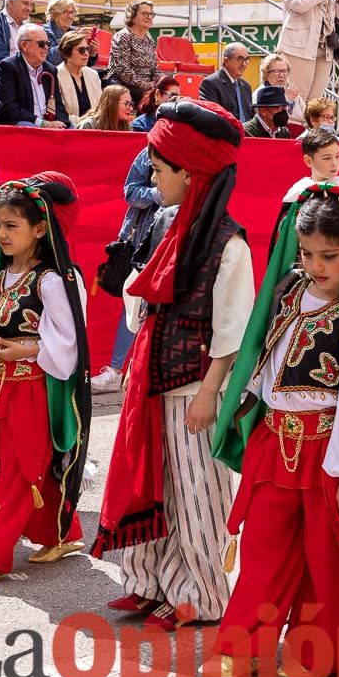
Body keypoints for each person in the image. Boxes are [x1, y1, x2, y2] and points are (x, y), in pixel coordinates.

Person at [200, 185, 339, 677]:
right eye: (307, 254)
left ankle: (316, 651)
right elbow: (267, 360)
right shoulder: (287, 291)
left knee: (328, 560)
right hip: (275, 442)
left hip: (330, 449)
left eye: (330, 255)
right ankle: (241, 648)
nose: (317, 265)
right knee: (263, 550)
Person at [92, 99, 254, 632]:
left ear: (190, 171)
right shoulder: (169, 227)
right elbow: (144, 306)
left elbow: (233, 333)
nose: (152, 176)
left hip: (192, 387)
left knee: (196, 494)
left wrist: (211, 395)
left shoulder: (229, 244)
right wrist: (127, 283)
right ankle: (152, 582)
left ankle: (201, 594)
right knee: (155, 483)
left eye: (160, 168)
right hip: (154, 378)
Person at [0, 172, 92, 587]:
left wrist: (24, 351)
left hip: (32, 390)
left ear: (40, 228)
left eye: (12, 225)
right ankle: (58, 532)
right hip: (0, 385)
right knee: (23, 465)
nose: (2, 233)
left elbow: (67, 341)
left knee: (15, 471)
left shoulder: (52, 280)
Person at [90, 131, 168, 394]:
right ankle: (116, 369)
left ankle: (139, 367)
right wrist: (159, 193)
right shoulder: (145, 155)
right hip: (142, 239)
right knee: (132, 300)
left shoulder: (189, 155)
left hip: (174, 238)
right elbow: (131, 192)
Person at [0, 23, 69, 128]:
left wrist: (62, 124)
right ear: (24, 46)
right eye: (41, 43)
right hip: (13, 125)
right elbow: (8, 109)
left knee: (72, 129)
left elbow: (58, 105)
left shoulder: (50, 69)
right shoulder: (7, 67)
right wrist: (43, 124)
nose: (46, 48)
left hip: (45, 125)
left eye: (47, 43)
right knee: (28, 127)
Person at [109, 0, 160, 102]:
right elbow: (123, 70)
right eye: (144, 13)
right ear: (132, 16)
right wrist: (143, 84)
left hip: (146, 86)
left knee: (168, 93)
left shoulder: (148, 40)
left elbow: (154, 69)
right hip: (124, 86)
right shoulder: (123, 36)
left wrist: (161, 82)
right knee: (150, 97)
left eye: (151, 14)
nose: (149, 17)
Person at [55, 30, 103, 127]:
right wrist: (85, 122)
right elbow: (60, 113)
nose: (86, 53)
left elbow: (101, 108)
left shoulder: (93, 74)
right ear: (67, 53)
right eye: (81, 50)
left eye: (88, 49)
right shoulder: (56, 75)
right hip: (70, 128)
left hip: (95, 126)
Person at [199, 43, 254, 121]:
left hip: (247, 132)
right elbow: (212, 117)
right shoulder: (210, 83)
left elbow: (250, 116)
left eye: (246, 59)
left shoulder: (246, 86)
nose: (244, 64)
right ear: (226, 61)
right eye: (240, 59)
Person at [42, 0, 98, 66]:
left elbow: (87, 64)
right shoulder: (45, 32)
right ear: (54, 14)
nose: (70, 16)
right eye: (65, 12)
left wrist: (92, 53)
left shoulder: (74, 31)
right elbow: (51, 59)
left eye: (72, 12)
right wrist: (74, 40)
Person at [257, 52, 306, 123]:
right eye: (276, 71)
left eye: (285, 71)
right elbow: (272, 120)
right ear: (266, 73)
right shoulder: (261, 94)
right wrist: (287, 100)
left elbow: (305, 116)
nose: (281, 75)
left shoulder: (292, 92)